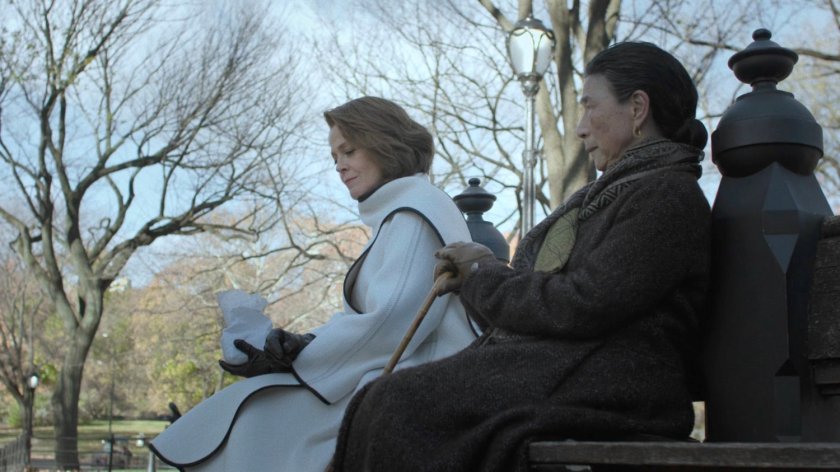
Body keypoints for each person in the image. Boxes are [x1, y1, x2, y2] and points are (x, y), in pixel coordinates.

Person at [331, 42, 712, 472]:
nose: (581, 128)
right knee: (387, 398)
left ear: (638, 108)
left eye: (590, 108)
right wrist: (481, 274)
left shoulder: (666, 195)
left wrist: (482, 274)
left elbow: (584, 304)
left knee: (396, 402)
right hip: (578, 371)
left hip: (617, 386)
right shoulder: (626, 191)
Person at [149, 96, 479, 471]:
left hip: (419, 377)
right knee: (258, 409)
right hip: (406, 370)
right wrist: (298, 347)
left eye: (348, 151)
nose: (339, 165)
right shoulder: (407, 209)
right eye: (334, 156)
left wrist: (299, 355)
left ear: (384, 143)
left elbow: (391, 321)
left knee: (258, 414)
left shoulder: (416, 210)